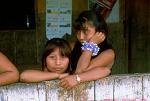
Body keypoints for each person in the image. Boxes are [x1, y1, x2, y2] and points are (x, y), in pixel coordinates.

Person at [59, 10, 115, 89]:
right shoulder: (72, 46)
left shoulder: (108, 53)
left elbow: (80, 71)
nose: (81, 37)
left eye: (86, 32)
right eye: (78, 31)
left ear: (99, 32)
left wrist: (91, 44)